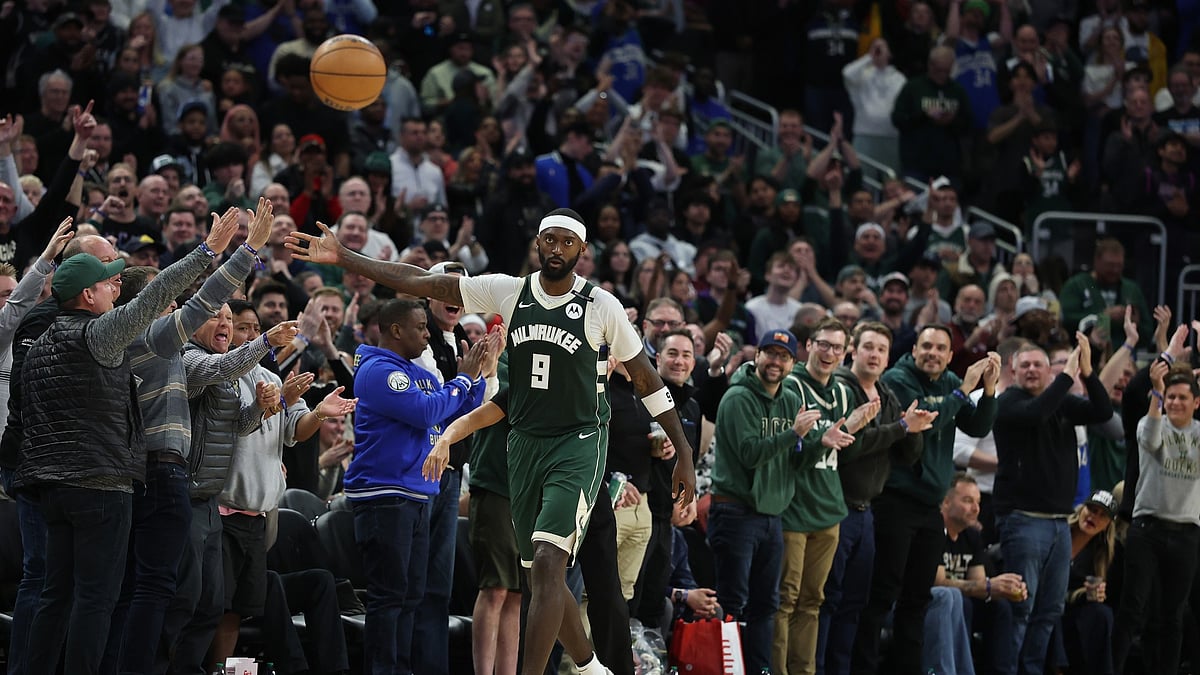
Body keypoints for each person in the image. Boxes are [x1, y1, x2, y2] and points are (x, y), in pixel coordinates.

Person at [286, 207, 697, 675]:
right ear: (537, 244)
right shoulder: (510, 291)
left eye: (567, 243)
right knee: (538, 571)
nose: (557, 249)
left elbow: (645, 379)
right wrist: (346, 258)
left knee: (546, 561)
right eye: (550, 240)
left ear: (582, 251)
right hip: (522, 444)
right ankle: (588, 665)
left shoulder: (600, 305)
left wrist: (683, 450)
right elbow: (425, 282)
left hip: (578, 442)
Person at [13, 213, 236, 674]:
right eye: (109, 283)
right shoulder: (99, 333)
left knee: (56, 595)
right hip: (101, 483)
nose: (116, 289)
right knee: (98, 597)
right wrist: (206, 251)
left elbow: (21, 416)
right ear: (87, 293)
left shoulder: (36, 346)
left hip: (49, 488)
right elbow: (154, 296)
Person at [347, 298, 488, 674]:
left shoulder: (417, 375)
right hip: (384, 494)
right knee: (389, 596)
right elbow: (426, 411)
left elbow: (452, 415)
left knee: (410, 596)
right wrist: (461, 380)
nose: (428, 335)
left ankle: (402, 668)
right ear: (396, 330)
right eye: (421, 327)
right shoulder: (378, 371)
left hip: (419, 493)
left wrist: (475, 378)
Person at [853, 326, 1000, 674]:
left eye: (940, 349)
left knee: (918, 598)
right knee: (882, 593)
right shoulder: (898, 379)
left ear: (950, 356)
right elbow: (924, 425)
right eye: (927, 346)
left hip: (929, 506)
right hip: (895, 500)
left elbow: (977, 426)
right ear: (914, 349)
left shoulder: (949, 381)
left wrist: (989, 389)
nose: (933, 353)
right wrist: (965, 389)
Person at [992, 336, 1113, 675]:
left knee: (1048, 611)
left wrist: (1087, 374)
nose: (1031, 370)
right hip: (1023, 520)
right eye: (1025, 365)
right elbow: (1036, 414)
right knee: (1021, 608)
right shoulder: (1008, 402)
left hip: (1060, 523)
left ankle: (1031, 671)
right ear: (1013, 371)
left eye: (1038, 365)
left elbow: (1102, 412)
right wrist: (1066, 377)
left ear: (1048, 371)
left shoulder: (1060, 401)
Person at [818, 322, 934, 675]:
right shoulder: (840, 388)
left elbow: (908, 455)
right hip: (835, 508)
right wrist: (900, 428)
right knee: (827, 600)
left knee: (855, 603)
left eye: (881, 350)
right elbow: (851, 448)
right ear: (853, 350)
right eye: (868, 346)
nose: (874, 354)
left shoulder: (886, 394)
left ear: (888, 358)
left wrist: (913, 428)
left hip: (867, 512)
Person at [776, 318, 875, 674]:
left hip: (830, 510)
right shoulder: (790, 387)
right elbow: (790, 454)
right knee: (785, 600)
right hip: (794, 507)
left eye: (837, 347)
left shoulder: (845, 391)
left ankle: (804, 670)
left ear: (845, 351)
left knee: (813, 601)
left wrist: (854, 430)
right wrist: (826, 438)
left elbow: (844, 453)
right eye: (823, 344)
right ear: (809, 345)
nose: (830, 353)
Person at [1112, 362, 1200, 675]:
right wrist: (1157, 393)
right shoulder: (1151, 425)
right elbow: (1149, 440)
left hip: (1187, 533)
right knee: (1133, 608)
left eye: (1181, 398)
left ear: (1196, 403)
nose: (1175, 403)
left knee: (1174, 615)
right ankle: (1113, 669)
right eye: (1170, 397)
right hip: (1146, 530)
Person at [929, 474, 1025, 675]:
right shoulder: (933, 529)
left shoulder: (971, 535)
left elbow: (979, 582)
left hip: (962, 601)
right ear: (945, 502)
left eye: (978, 502)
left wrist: (1005, 587)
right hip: (931, 603)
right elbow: (937, 582)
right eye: (967, 501)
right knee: (960, 602)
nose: (976, 509)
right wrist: (988, 587)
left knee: (1001, 607)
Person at [1062, 490, 1118, 675]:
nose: (1094, 517)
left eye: (1102, 515)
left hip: (1072, 608)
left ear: (1108, 524)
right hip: (1046, 602)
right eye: (1092, 510)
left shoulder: (1102, 555)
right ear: (1081, 509)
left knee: (1102, 614)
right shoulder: (1060, 532)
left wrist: (1092, 595)